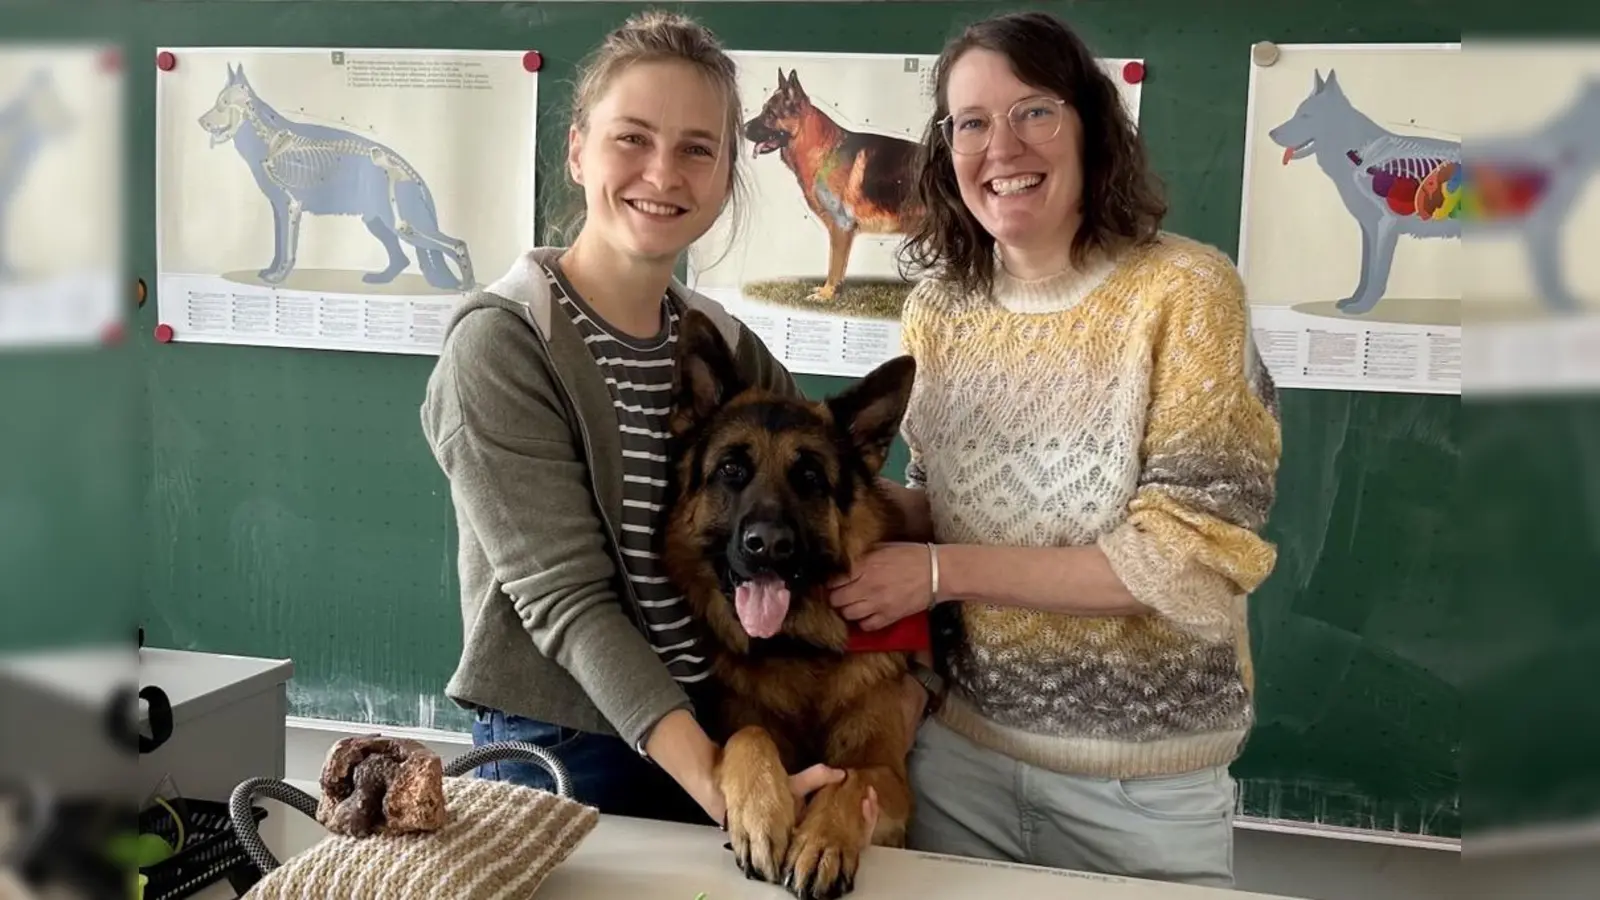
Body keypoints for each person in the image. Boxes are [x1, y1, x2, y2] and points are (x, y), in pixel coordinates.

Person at [826, 11, 1283, 889]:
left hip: (1139, 790)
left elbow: (1181, 563)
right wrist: (813, 508)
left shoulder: (1188, 294)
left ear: (1090, 126)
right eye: (970, 122)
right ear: (944, 149)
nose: (1002, 145)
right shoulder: (938, 312)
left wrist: (931, 572)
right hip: (954, 761)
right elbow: (940, 497)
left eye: (1033, 111)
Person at [419, 9, 847, 827]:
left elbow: (836, 498)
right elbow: (569, 603)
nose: (664, 173)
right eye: (632, 138)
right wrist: (719, 785)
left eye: (697, 148)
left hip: (719, 718)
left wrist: (943, 563)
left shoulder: (726, 346)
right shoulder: (505, 345)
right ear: (578, 149)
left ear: (727, 175)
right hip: (567, 746)